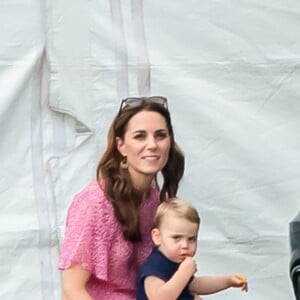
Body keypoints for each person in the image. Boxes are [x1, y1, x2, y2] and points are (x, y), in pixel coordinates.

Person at [58, 96, 185, 300]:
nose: (152, 144)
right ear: (121, 145)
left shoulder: (157, 202)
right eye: (140, 136)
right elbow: (72, 290)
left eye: (160, 135)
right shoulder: (95, 202)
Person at [136, 198, 248, 300]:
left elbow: (196, 285)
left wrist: (227, 281)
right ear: (157, 237)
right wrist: (183, 273)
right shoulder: (154, 266)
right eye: (177, 237)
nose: (185, 245)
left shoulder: (177, 262)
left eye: (191, 239)